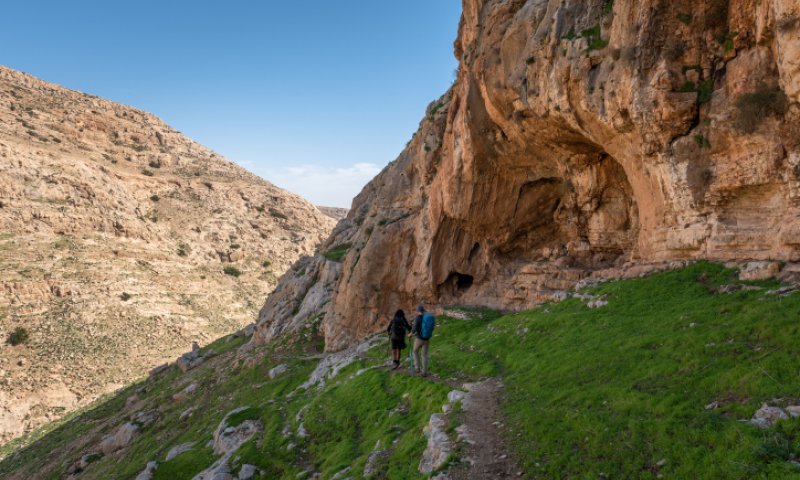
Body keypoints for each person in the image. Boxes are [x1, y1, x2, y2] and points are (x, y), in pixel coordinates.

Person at [410, 305, 436, 376]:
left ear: (418, 311)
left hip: (419, 339)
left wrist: (411, 334)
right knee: (424, 355)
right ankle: (424, 372)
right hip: (427, 339)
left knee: (415, 351)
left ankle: (417, 368)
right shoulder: (427, 317)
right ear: (423, 311)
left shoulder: (418, 318)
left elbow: (414, 328)